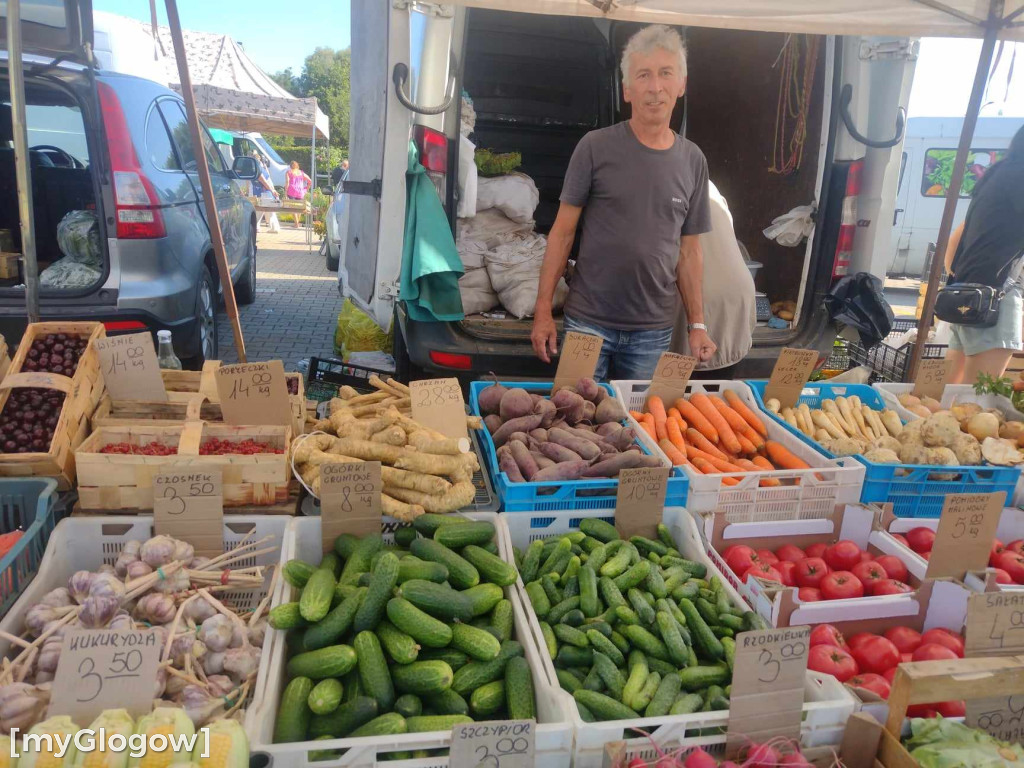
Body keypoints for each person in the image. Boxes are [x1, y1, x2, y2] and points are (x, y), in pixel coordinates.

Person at [530, 25, 714, 380]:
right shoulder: (595, 147)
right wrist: (542, 312)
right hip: (587, 323)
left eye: (665, 74)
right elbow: (562, 234)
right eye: (643, 75)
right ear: (627, 89)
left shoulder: (693, 160)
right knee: (574, 423)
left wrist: (698, 324)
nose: (655, 87)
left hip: (653, 332)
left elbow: (689, 252)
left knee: (637, 429)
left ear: (681, 84)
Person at [943, 124, 1024, 384]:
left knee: (946, 396)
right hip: (992, 298)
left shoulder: (998, 173)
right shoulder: (1019, 176)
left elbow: (961, 233)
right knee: (977, 401)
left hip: (967, 291)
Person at [670, 181, 755, 377]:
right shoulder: (708, 185)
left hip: (692, 296)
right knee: (713, 394)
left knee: (676, 395)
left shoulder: (657, 182)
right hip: (738, 294)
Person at [252, 152, 281, 233]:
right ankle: (273, 227)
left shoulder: (258, 171)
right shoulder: (262, 169)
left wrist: (272, 190)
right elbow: (268, 179)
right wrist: (273, 190)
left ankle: (258, 227)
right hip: (265, 192)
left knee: (261, 210)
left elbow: (265, 182)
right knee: (266, 210)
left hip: (264, 192)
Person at [285, 160, 312, 228]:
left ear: (290, 166)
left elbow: (287, 182)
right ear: (297, 166)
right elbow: (310, 181)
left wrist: (285, 192)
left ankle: (296, 224)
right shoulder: (301, 173)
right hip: (300, 191)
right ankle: (297, 223)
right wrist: (306, 189)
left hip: (291, 191)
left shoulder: (288, 172)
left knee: (293, 207)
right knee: (299, 208)